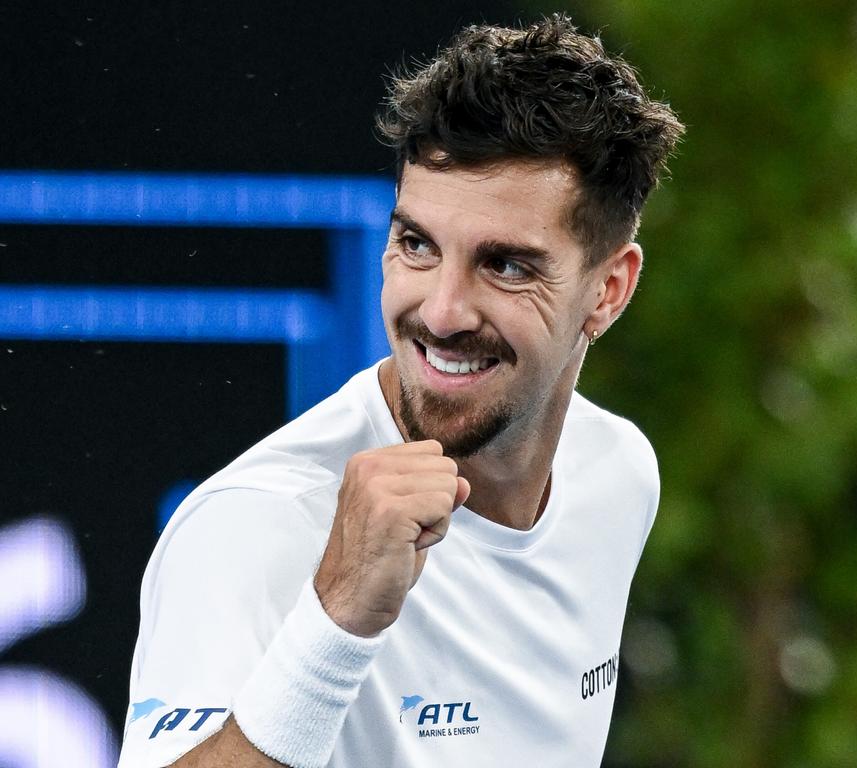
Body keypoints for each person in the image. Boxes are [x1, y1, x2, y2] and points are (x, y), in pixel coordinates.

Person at [118, 14, 683, 768]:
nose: (442, 311)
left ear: (608, 290)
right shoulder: (256, 526)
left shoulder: (619, 473)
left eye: (506, 265)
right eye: (416, 244)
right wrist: (336, 621)